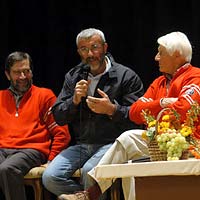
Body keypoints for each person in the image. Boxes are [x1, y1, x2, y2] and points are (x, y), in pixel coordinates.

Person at [88, 31, 200, 200]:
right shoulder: (159, 82)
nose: (156, 58)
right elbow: (134, 112)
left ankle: (92, 192)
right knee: (128, 140)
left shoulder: (195, 76)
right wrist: (162, 103)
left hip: (188, 143)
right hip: (158, 142)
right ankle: (92, 192)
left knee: (129, 147)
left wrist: (155, 109)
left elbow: (183, 109)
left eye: (160, 53)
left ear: (176, 55)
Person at [42, 27, 144, 200]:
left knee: (90, 172)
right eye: (84, 49)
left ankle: (85, 196)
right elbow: (58, 116)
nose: (90, 53)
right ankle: (83, 196)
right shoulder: (73, 76)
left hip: (112, 145)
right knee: (50, 177)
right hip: (82, 144)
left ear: (105, 47)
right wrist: (73, 101)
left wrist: (112, 110)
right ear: (78, 52)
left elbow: (139, 117)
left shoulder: (125, 76)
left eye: (95, 47)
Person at [0, 51, 71, 200]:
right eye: (17, 72)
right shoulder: (1, 98)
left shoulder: (44, 95)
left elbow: (62, 133)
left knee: (7, 169)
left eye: (26, 71)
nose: (23, 77)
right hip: (3, 149)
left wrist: (51, 160)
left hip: (31, 150)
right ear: (7, 75)